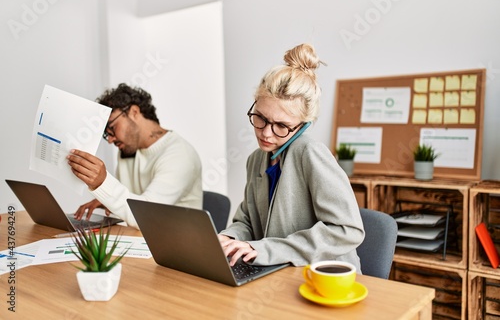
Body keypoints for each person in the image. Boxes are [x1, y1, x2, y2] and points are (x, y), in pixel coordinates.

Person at [218, 43, 365, 271]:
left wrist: (264, 250)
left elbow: (348, 230)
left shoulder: (310, 153)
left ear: (303, 125)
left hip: (324, 278)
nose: (266, 133)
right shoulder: (257, 159)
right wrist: (229, 239)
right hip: (278, 272)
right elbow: (247, 221)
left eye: (282, 126)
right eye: (261, 118)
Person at [67, 83, 203, 229]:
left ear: (134, 112)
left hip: (178, 244)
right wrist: (108, 201)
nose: (111, 140)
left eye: (112, 128)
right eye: (106, 135)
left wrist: (103, 184)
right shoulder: (128, 149)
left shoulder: (180, 155)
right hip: (143, 239)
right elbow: (131, 201)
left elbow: (147, 216)